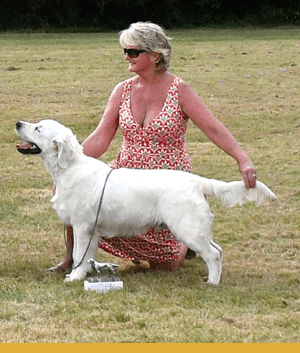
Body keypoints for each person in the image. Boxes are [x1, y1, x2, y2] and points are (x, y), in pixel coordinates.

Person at [47, 22, 259, 274]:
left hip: (168, 182)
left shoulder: (179, 90)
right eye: (125, 51)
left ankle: (183, 239)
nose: (126, 56)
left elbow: (213, 128)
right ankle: (72, 260)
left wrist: (242, 158)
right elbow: (101, 138)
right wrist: (69, 169)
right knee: (80, 194)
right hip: (124, 177)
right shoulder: (122, 90)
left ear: (154, 55)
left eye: (133, 52)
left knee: (166, 266)